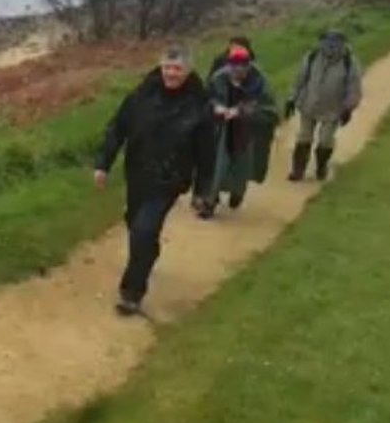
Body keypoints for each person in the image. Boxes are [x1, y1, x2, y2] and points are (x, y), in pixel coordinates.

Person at [94, 45, 215, 317]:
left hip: (170, 179)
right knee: (135, 225)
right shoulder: (140, 96)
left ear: (188, 71)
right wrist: (103, 164)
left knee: (144, 230)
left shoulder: (200, 105)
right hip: (137, 174)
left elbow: (207, 151)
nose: (171, 73)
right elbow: (117, 129)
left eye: (177, 69)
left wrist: (203, 190)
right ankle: (147, 254)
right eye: (167, 68)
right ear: (160, 68)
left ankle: (131, 294)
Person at [204, 46, 279, 213]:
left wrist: (242, 111)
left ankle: (237, 192)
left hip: (247, 132)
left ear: (249, 65)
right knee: (216, 165)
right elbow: (206, 99)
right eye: (234, 65)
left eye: (243, 65)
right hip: (220, 130)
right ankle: (210, 201)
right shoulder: (218, 79)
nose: (238, 69)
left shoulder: (260, 82)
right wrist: (216, 108)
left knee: (242, 165)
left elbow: (271, 111)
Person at [285, 30, 363, 181]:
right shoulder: (312, 57)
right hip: (309, 105)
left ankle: (321, 167)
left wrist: (348, 108)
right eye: (328, 43)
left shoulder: (350, 63)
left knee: (326, 140)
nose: (331, 47)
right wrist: (291, 99)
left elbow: (354, 88)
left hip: (333, 109)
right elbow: (300, 80)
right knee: (304, 137)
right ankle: (297, 171)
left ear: (342, 44)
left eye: (335, 44)